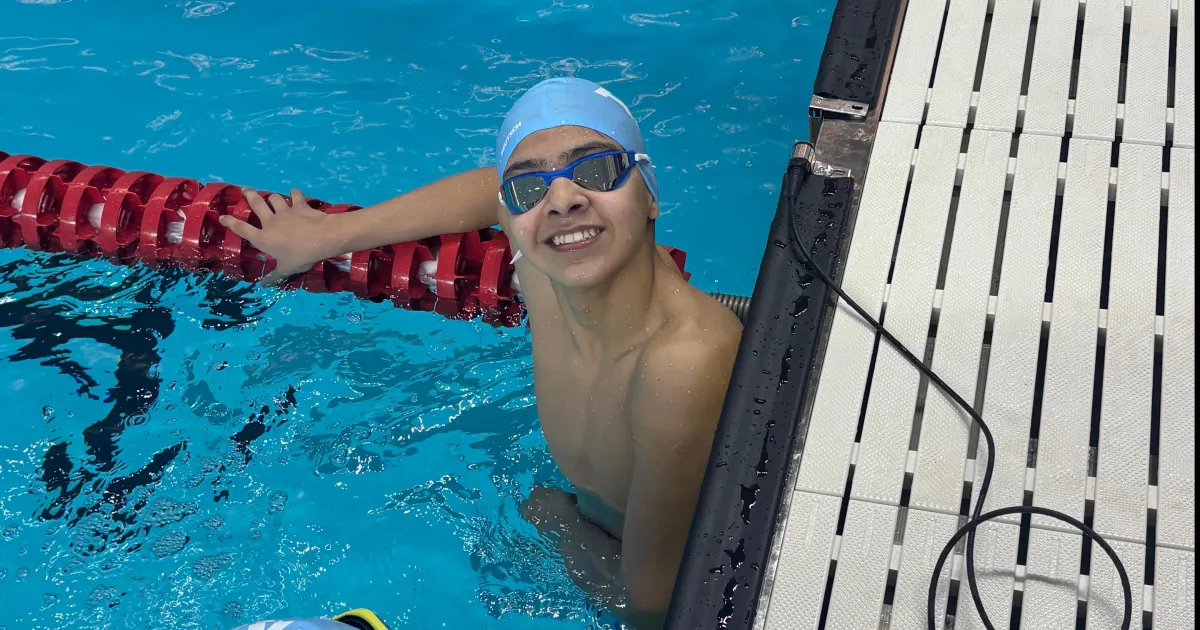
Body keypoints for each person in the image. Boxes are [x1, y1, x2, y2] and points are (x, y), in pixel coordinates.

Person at [220, 77, 743, 629]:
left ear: (650, 193)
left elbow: (657, 608)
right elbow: (491, 187)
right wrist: (331, 236)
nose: (562, 200)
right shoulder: (543, 265)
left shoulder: (680, 364)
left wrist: (562, 527)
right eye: (531, 188)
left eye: (597, 170)